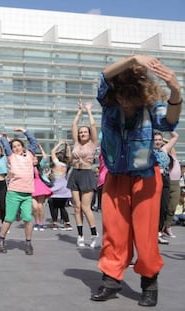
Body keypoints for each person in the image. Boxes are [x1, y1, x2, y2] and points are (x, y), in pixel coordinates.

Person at [91, 55, 182, 307]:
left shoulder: (151, 107)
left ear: (140, 94)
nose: (123, 100)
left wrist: (175, 91)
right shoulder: (108, 105)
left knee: (145, 235)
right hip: (116, 177)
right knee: (114, 233)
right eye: (119, 94)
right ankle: (110, 281)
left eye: (129, 95)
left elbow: (170, 121)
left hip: (145, 178)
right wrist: (132, 59)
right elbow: (104, 76)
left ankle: (149, 284)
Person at [0, 128, 37, 255]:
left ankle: (28, 242)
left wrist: (24, 131)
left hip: (27, 194)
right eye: (14, 146)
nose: (16, 148)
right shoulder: (11, 157)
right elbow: (5, 145)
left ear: (23, 146)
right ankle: (1, 240)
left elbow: (33, 142)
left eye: (18, 145)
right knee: (9, 218)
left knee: (28, 218)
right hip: (14, 192)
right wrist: (3, 137)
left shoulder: (30, 155)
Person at [67, 99, 99, 248]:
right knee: (77, 207)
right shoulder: (77, 144)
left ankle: (94, 234)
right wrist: (79, 111)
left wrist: (88, 110)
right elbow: (74, 125)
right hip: (75, 174)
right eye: (81, 132)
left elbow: (93, 126)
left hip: (87, 175)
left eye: (84, 132)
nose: (82, 133)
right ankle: (80, 235)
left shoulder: (92, 144)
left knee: (86, 207)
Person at [153, 131, 178, 244]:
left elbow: (175, 136)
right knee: (153, 207)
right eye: (155, 140)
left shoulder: (165, 150)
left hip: (165, 180)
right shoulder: (149, 151)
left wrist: (168, 126)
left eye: (159, 140)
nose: (157, 142)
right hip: (152, 180)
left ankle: (159, 232)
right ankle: (151, 232)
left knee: (164, 206)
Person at [48, 140, 73, 231]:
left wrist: (59, 144)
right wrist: (68, 147)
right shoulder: (66, 165)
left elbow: (52, 152)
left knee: (54, 206)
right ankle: (67, 223)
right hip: (65, 188)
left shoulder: (57, 164)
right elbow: (69, 155)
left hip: (56, 188)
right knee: (62, 207)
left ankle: (54, 223)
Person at [32, 144, 52, 231]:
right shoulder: (27, 167)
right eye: (33, 159)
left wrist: (40, 148)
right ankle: (36, 222)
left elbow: (45, 157)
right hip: (31, 187)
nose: (35, 160)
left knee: (40, 207)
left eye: (36, 159)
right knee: (34, 207)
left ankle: (41, 223)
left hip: (40, 187)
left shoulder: (40, 167)